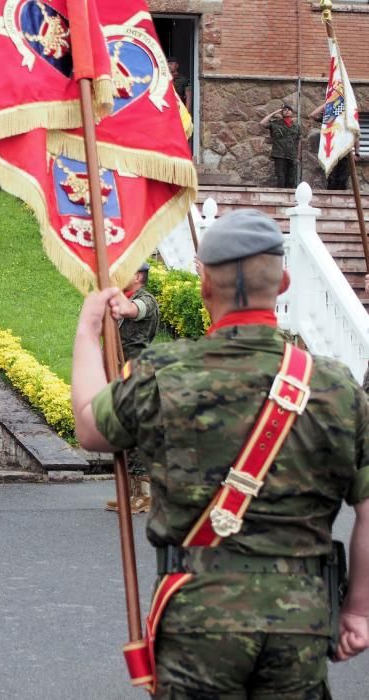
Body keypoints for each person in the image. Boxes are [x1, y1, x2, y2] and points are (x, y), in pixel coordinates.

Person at [72, 209, 369, 697]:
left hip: (197, 617)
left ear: (203, 281)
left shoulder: (161, 373)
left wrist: (87, 329)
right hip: (301, 616)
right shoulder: (338, 388)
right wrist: (357, 608)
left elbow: (90, 426)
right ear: (285, 282)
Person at [104, 262, 159, 514]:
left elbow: (130, 311)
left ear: (137, 276)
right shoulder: (125, 297)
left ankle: (145, 495)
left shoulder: (145, 300)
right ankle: (132, 493)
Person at [309, 102, 358, 190]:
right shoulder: (330, 119)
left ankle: (340, 200)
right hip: (332, 152)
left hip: (346, 153)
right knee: (331, 178)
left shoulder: (349, 121)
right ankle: (331, 198)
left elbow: (355, 137)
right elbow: (313, 115)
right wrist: (327, 103)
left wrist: (356, 153)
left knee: (343, 179)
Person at [260, 103, 301, 188]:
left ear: (292, 112)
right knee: (281, 178)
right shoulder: (275, 124)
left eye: (289, 109)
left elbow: (299, 141)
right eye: (284, 110)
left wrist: (298, 156)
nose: (287, 111)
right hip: (279, 155)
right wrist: (274, 113)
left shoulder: (297, 126)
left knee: (291, 179)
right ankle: (281, 196)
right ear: (281, 113)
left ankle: (289, 199)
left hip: (292, 155)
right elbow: (262, 123)